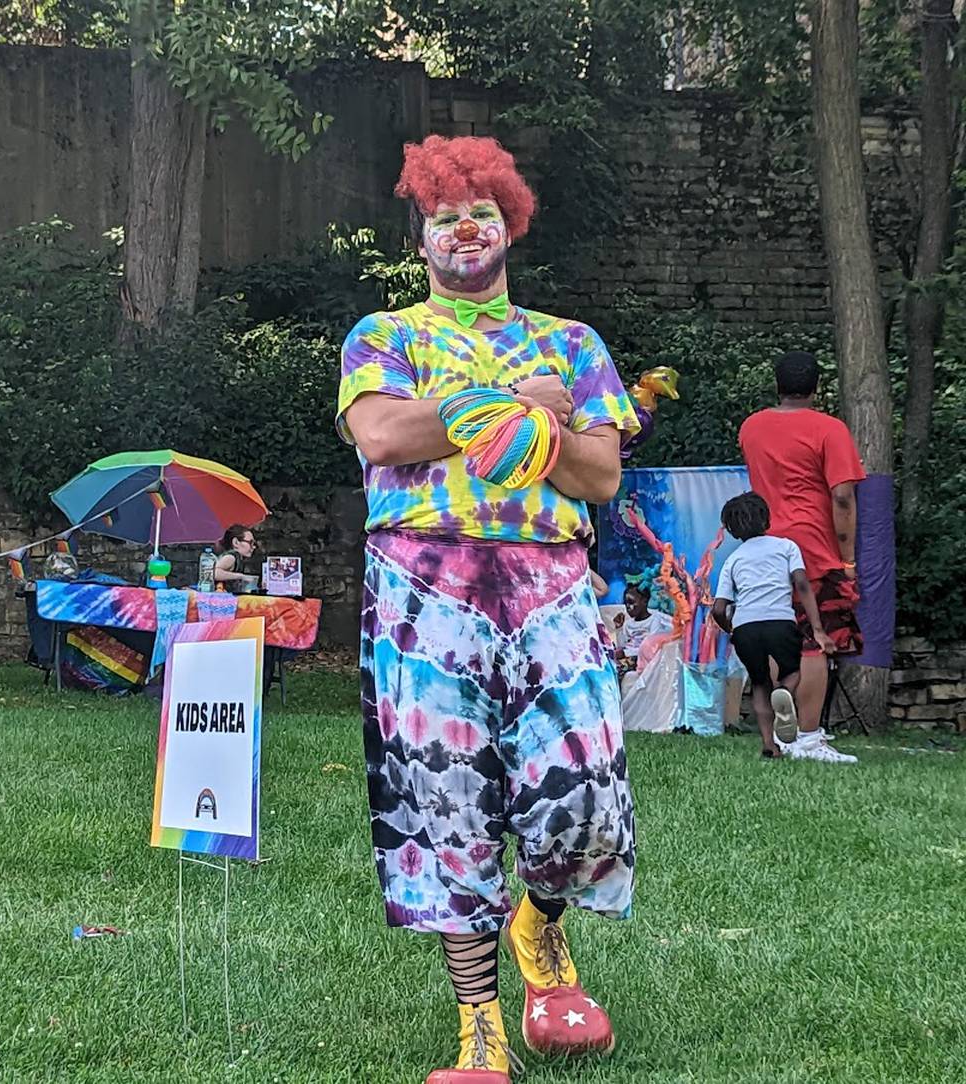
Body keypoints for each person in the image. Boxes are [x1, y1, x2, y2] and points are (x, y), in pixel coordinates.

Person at [338, 135, 639, 1083]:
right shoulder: (382, 338)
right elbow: (385, 435)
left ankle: (538, 927)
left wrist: (500, 423)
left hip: (551, 581)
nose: (462, 228)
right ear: (421, 239)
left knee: (587, 792)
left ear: (509, 221)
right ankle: (481, 1030)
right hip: (422, 588)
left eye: (479, 212)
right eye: (442, 217)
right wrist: (516, 403)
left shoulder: (573, 345)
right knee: (444, 799)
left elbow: (598, 474)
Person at [738, 352, 865, 751]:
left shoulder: (751, 427)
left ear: (777, 385)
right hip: (813, 548)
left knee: (779, 633)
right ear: (816, 387)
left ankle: (780, 731)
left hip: (764, 545)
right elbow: (842, 497)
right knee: (816, 639)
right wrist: (847, 560)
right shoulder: (830, 429)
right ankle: (807, 737)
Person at [711, 493, 853, 762]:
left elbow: (719, 608)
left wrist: (730, 629)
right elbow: (802, 585)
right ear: (767, 518)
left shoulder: (733, 559)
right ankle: (786, 692)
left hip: (745, 628)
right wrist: (818, 629)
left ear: (732, 529)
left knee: (760, 683)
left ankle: (769, 745)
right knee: (791, 671)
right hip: (780, 622)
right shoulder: (786, 547)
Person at [614, 584, 673, 674]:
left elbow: (651, 647)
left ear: (645, 601)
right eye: (626, 603)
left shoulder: (654, 620)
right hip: (628, 655)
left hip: (642, 658)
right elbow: (622, 645)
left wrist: (626, 653)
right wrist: (619, 628)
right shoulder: (628, 624)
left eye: (631, 602)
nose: (628, 607)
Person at [212, 525, 257, 593]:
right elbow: (215, 573)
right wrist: (241, 576)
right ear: (236, 542)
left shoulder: (237, 557)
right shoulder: (232, 557)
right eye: (250, 543)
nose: (253, 547)